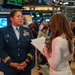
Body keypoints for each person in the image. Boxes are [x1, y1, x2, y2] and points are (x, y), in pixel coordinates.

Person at [0, 10, 35, 75]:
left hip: (25, 67)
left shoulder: (27, 30)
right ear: (11, 18)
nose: (20, 18)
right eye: (18, 16)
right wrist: (11, 63)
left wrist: (26, 61)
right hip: (9, 68)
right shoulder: (3, 31)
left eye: (21, 16)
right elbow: (1, 50)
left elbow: (32, 47)